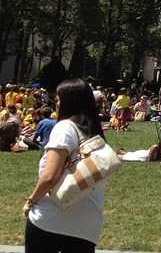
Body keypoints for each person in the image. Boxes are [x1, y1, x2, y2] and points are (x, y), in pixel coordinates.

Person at [23, 79, 107, 253]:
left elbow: (49, 177)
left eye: (59, 100)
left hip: (52, 220)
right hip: (87, 225)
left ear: (70, 102)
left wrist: (30, 202)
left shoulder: (65, 128)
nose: (57, 104)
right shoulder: (94, 134)